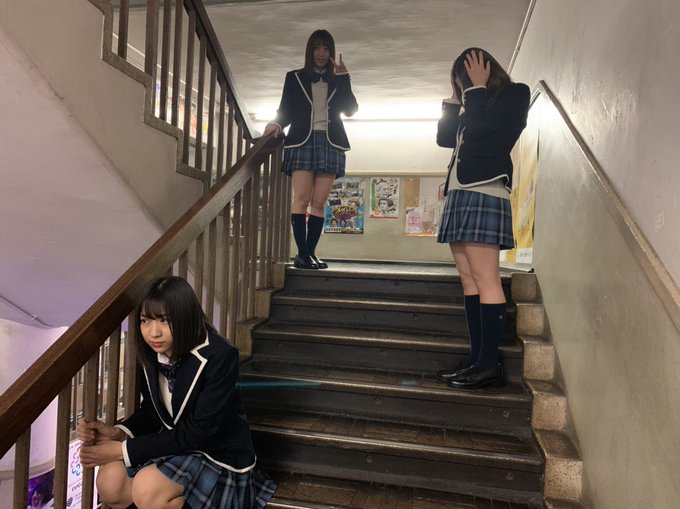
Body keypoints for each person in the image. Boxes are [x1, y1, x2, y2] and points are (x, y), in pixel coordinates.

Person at [76, 276, 276, 509]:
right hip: (176, 444)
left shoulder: (220, 355)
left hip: (216, 453)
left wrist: (123, 450)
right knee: (110, 483)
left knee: (147, 488)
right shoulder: (151, 353)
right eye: (145, 321)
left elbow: (200, 432)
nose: (153, 333)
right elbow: (152, 410)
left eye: (164, 320)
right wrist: (119, 433)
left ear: (185, 317)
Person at [434, 48, 529, 389]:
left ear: (487, 68)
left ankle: (489, 364)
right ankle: (476, 359)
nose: (463, 84)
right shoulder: (469, 104)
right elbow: (445, 139)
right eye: (459, 80)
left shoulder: (515, 94)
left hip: (486, 191)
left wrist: (475, 89)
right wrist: (453, 100)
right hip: (460, 193)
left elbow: (482, 129)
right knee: (469, 280)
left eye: (465, 77)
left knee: (486, 279)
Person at [263, 29, 358, 270]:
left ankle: (310, 253)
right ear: (310, 50)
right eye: (317, 47)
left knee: (319, 201)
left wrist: (344, 77)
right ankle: (302, 254)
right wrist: (275, 124)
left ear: (331, 52)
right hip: (302, 141)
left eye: (326, 48)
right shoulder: (294, 77)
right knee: (302, 198)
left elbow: (350, 110)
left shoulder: (337, 79)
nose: (321, 53)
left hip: (330, 142)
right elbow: (285, 109)